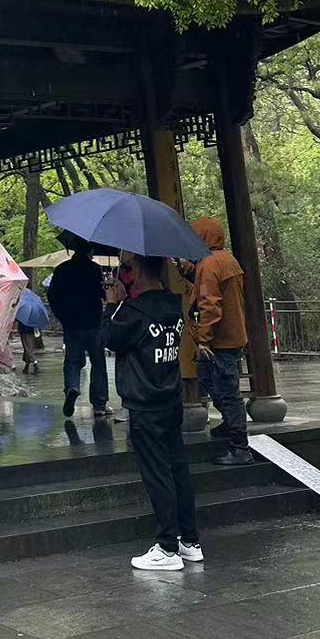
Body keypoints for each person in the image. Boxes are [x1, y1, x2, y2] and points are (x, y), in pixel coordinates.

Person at [102, 253, 202, 571]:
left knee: (157, 473)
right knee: (178, 470)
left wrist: (111, 303)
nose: (125, 274)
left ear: (140, 271)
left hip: (145, 403)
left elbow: (109, 338)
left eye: (128, 268)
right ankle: (190, 540)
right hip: (170, 397)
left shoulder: (133, 312)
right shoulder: (173, 305)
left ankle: (167, 547)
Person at [184, 217, 253, 467]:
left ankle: (240, 446)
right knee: (209, 377)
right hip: (232, 337)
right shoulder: (226, 259)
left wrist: (204, 339)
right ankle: (230, 425)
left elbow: (210, 304)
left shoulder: (209, 263)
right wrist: (190, 270)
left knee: (227, 390)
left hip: (219, 341)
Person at [48, 233, 111, 420]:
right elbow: (103, 294)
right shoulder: (94, 269)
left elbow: (52, 296)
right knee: (98, 362)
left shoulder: (61, 269)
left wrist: (61, 317)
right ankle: (99, 403)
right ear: (90, 249)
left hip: (72, 324)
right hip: (93, 322)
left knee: (72, 360)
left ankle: (72, 387)